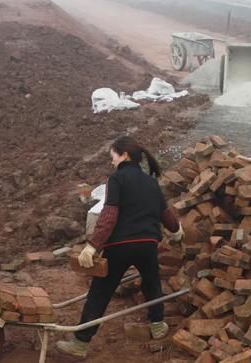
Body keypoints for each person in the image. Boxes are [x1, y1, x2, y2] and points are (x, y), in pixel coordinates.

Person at [56, 136, 184, 359]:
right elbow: (166, 215)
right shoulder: (151, 183)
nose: (111, 161)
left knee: (100, 292)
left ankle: (80, 343)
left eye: (112, 156)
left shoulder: (117, 179)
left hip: (121, 245)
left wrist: (93, 246)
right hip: (148, 244)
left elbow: (110, 213)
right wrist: (177, 231)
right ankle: (157, 325)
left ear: (124, 155)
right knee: (152, 281)